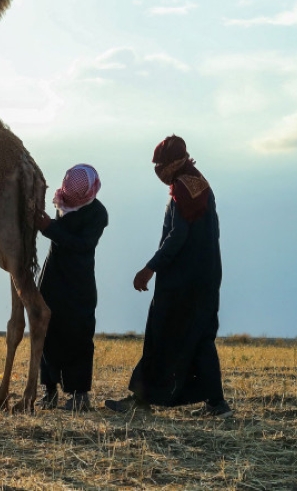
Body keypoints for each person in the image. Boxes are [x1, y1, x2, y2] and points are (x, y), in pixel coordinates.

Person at [104, 135, 231, 417]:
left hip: (181, 283)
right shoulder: (200, 185)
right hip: (207, 279)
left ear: (175, 163)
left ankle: (140, 402)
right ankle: (217, 404)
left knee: (159, 335)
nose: (157, 172)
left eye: (160, 165)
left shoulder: (182, 190)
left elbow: (177, 237)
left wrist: (149, 268)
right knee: (200, 339)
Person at [34, 164, 108, 412]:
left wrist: (50, 229)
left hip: (78, 285)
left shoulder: (98, 214)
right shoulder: (62, 204)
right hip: (53, 279)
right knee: (48, 335)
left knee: (78, 337)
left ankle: (79, 396)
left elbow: (83, 245)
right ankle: (49, 391)